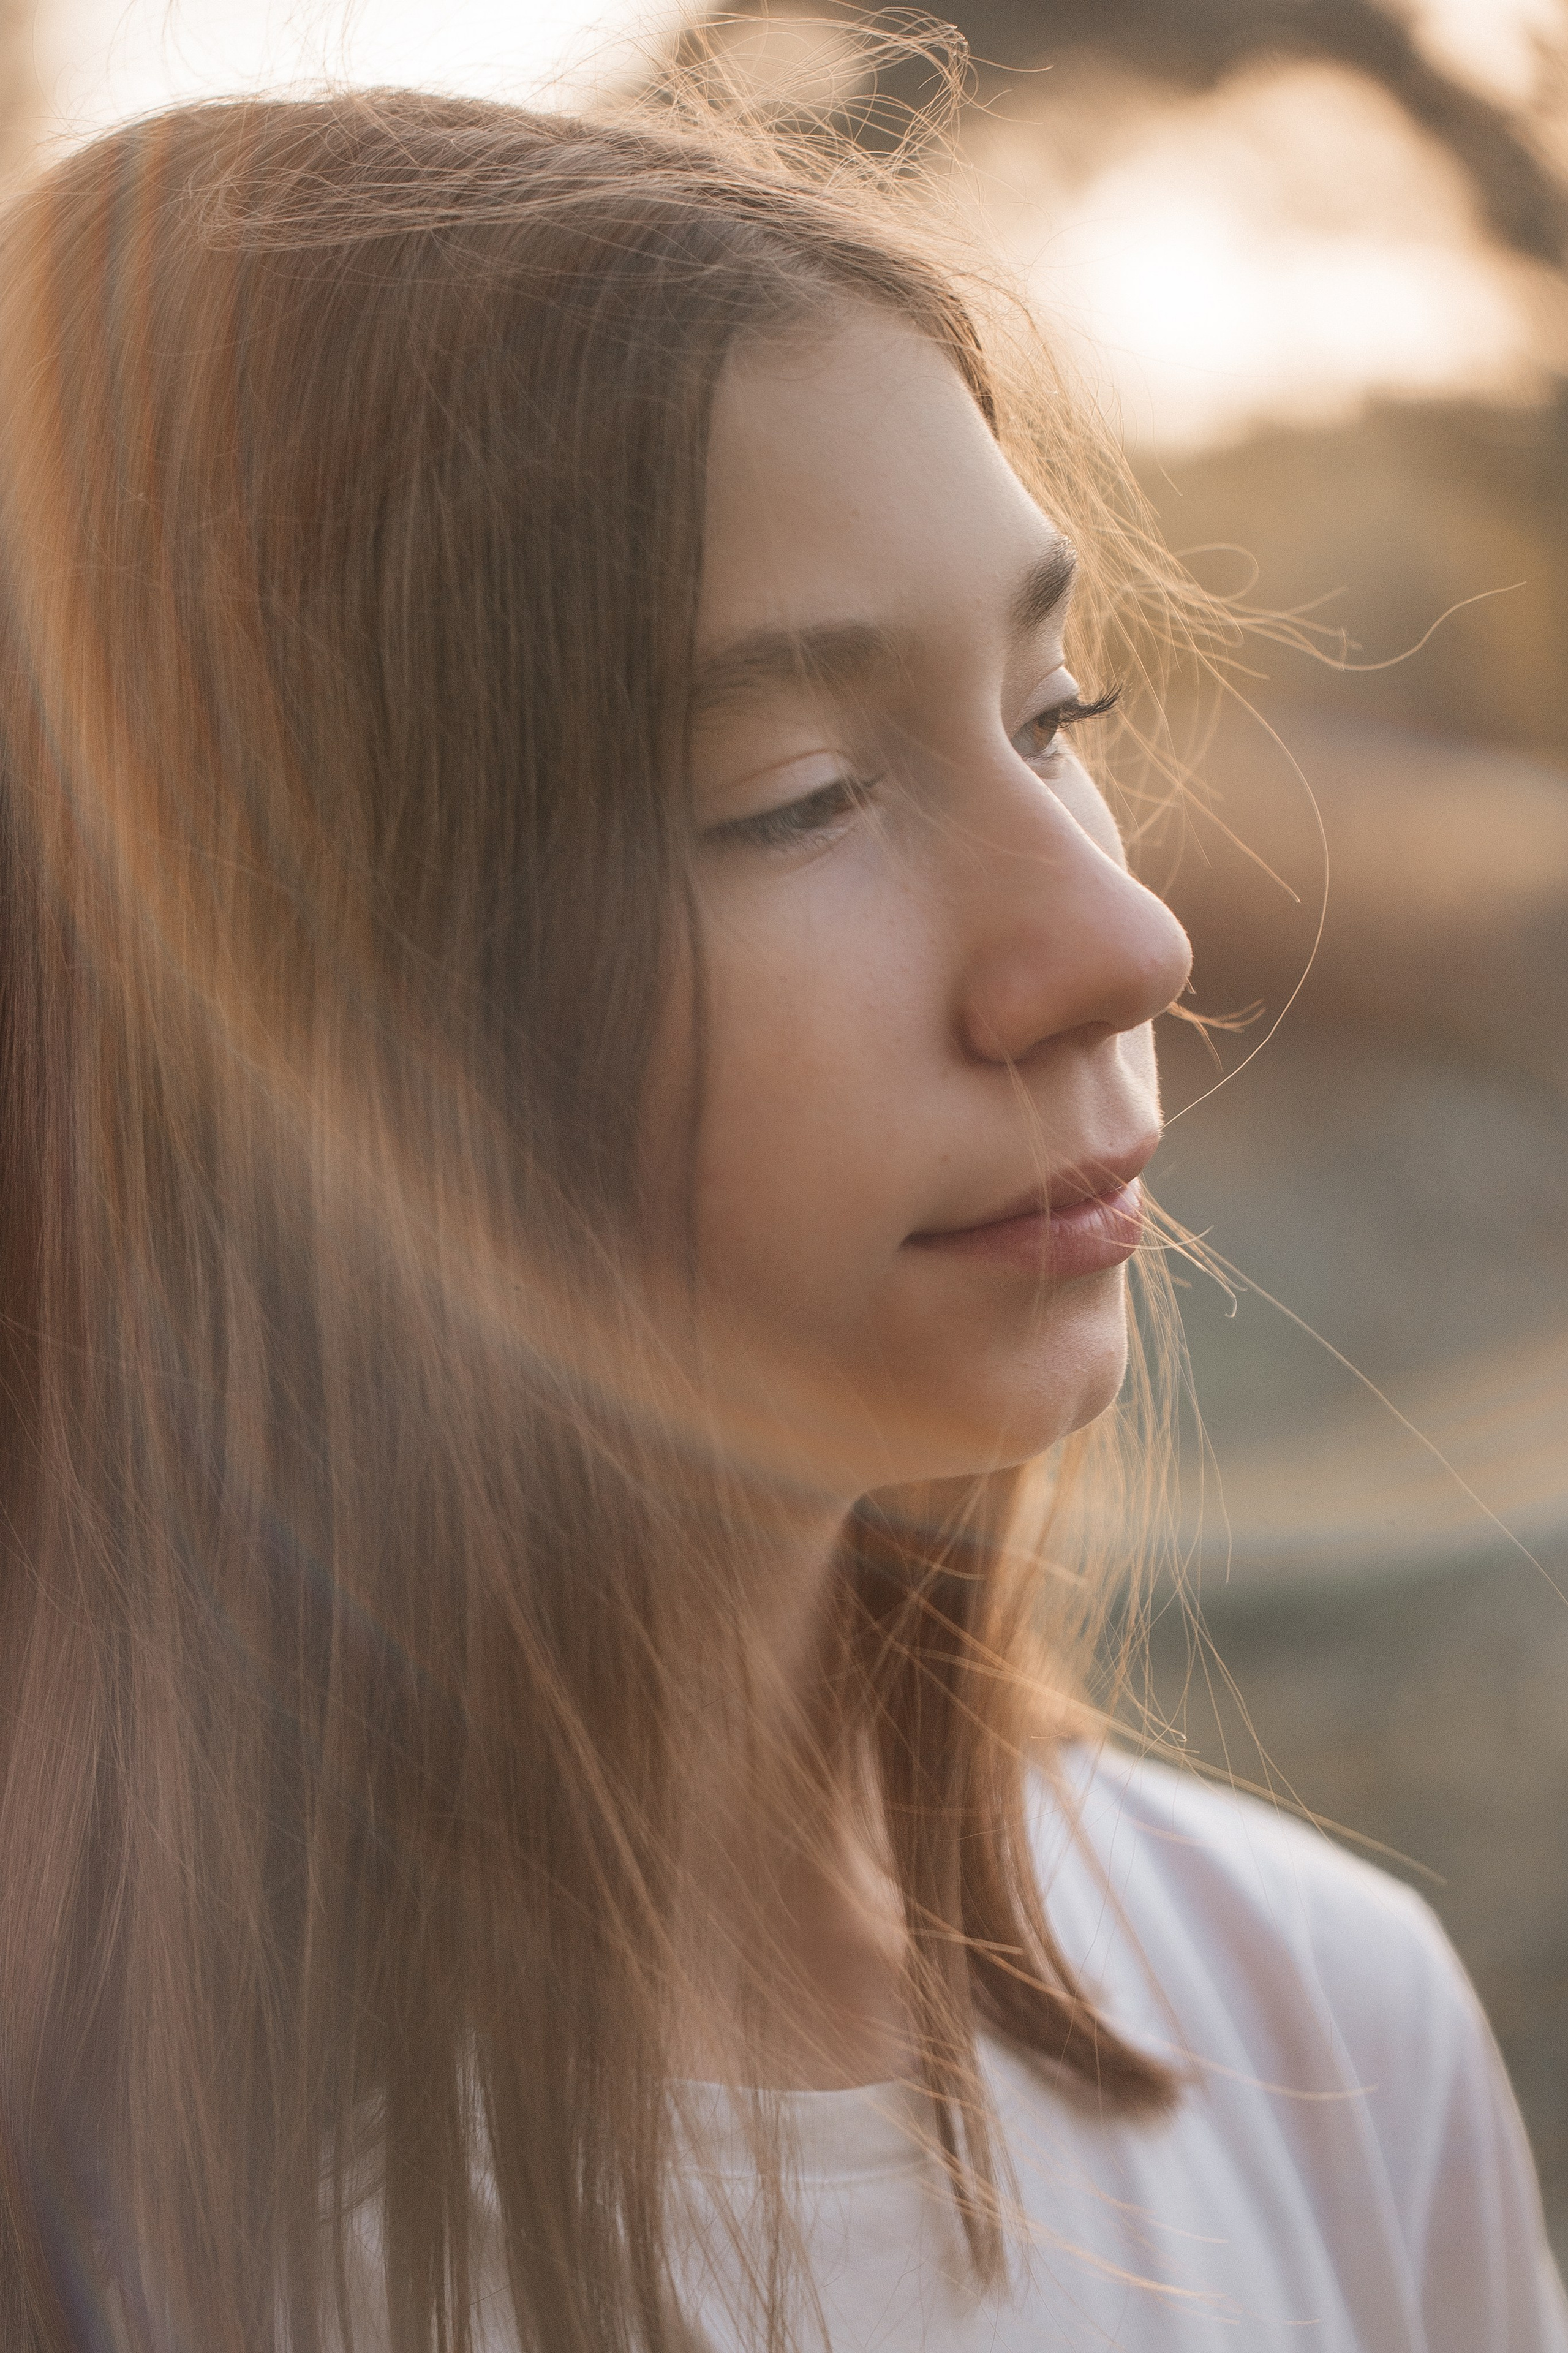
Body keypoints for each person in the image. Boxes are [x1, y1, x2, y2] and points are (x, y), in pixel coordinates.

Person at [0, 72, 1559, 2353]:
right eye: (801, 795)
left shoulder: (1325, 2044)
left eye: (1057, 714)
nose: (1123, 943)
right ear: (261, 1009)